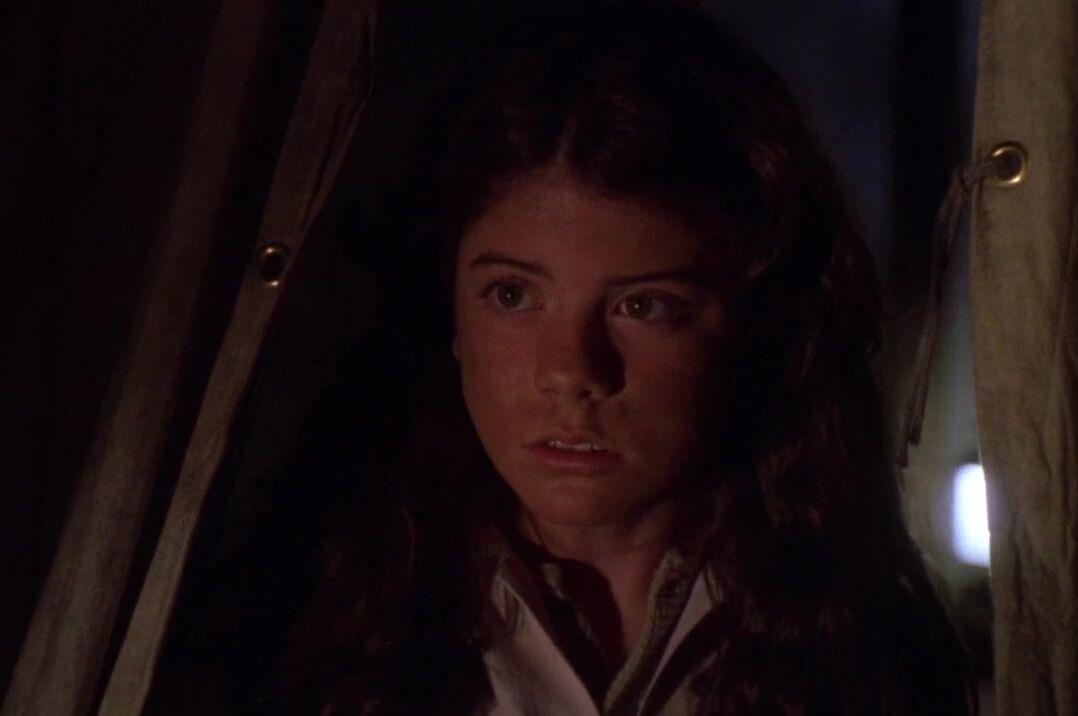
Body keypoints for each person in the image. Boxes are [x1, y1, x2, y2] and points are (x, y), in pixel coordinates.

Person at [284, 2, 976, 714]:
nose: (572, 373)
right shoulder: (320, 620)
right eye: (513, 295)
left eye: (644, 306)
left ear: (755, 322)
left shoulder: (857, 645)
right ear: (450, 308)